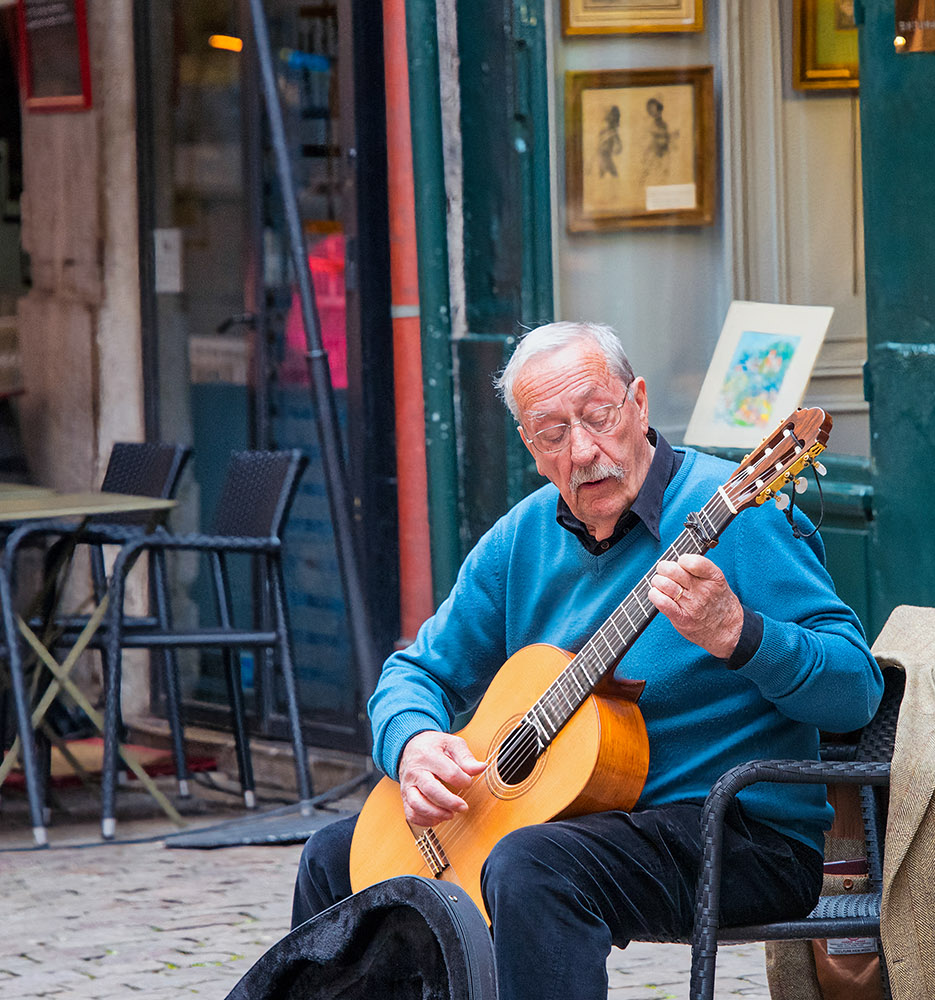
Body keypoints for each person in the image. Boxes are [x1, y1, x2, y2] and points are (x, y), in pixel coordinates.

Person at [291, 321, 883, 997]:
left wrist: (740, 633)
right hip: (572, 821)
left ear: (638, 403)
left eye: (598, 417)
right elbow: (415, 671)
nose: (583, 450)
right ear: (530, 446)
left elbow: (855, 691)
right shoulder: (521, 538)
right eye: (552, 433)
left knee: (533, 866)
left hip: (739, 832)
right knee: (335, 860)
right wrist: (414, 742)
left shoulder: (742, 515)